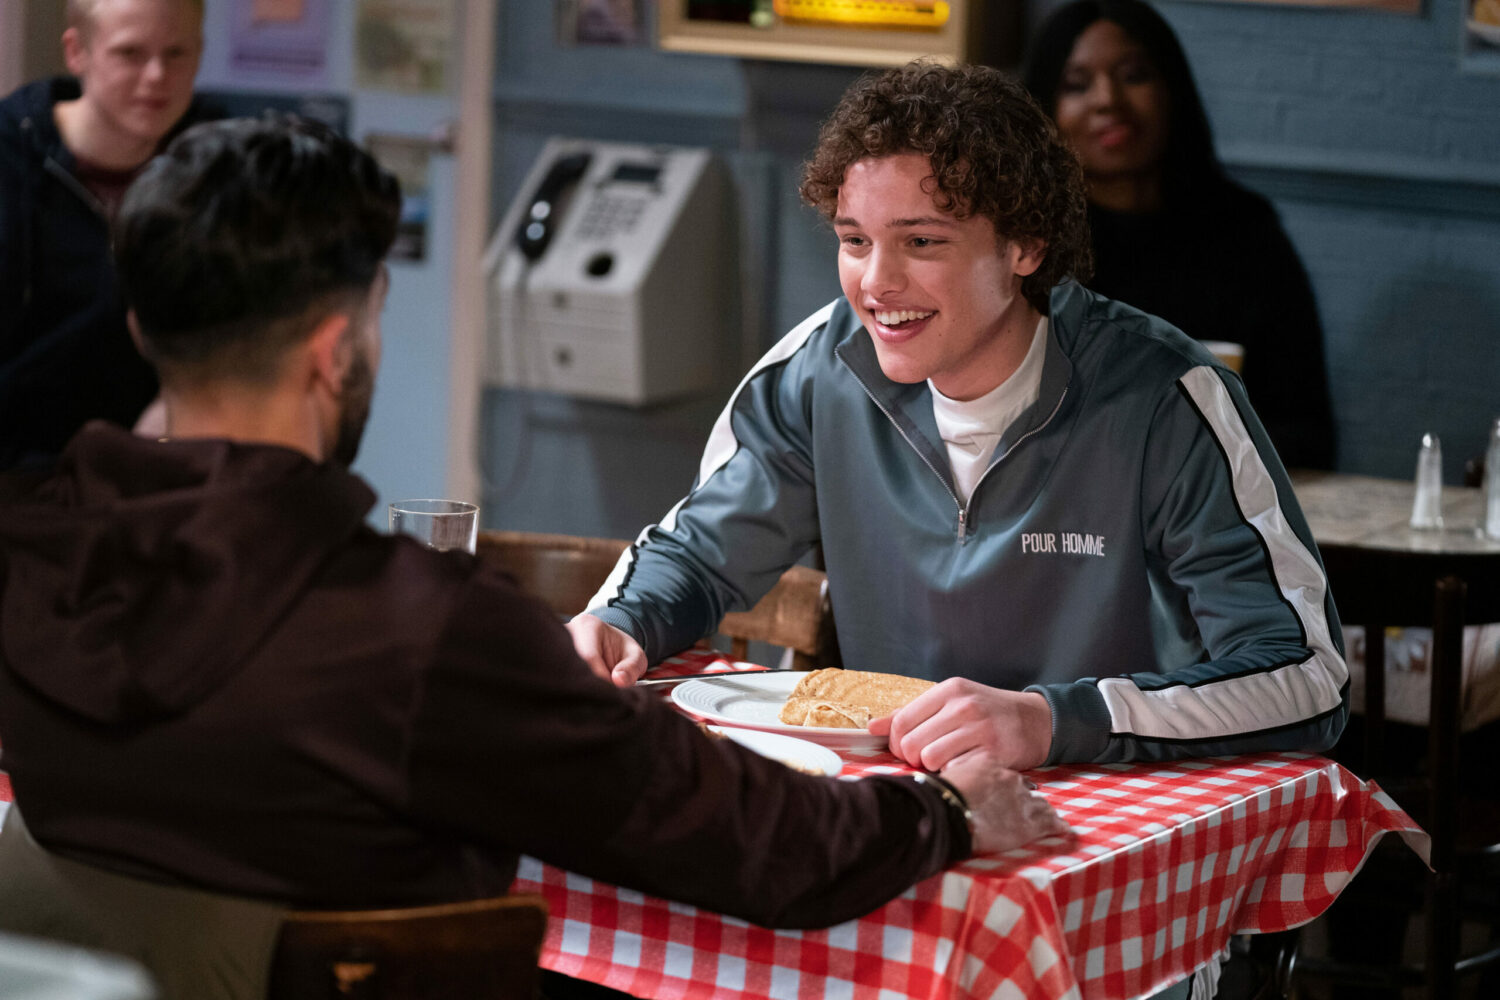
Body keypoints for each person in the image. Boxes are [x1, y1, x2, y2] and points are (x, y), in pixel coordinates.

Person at [0, 114, 1066, 994]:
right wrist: (949, 811)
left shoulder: (33, 554)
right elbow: (751, 839)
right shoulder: (413, 632)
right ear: (337, 351)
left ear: (143, 327)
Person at [568, 62, 1349, 779]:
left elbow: (1304, 679)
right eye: (854, 241)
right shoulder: (816, 373)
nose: (877, 282)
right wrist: (620, 622)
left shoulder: (1165, 397)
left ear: (1024, 244)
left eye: (921, 241)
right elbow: (698, 557)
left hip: (1117, 809)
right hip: (901, 806)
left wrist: (1052, 720)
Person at [1020, 0, 1336, 471]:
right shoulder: (1025, 244)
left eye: (1134, 75)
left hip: (1223, 506)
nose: (1109, 100)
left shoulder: (1245, 231)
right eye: (1077, 85)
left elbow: (1307, 430)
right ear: (1045, 109)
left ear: (1173, 90)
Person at [0, 0, 205, 471]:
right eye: (130, 54)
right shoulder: (11, 159)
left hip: (156, 485)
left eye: (177, 54)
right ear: (77, 52)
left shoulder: (214, 170)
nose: (156, 76)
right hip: (18, 491)